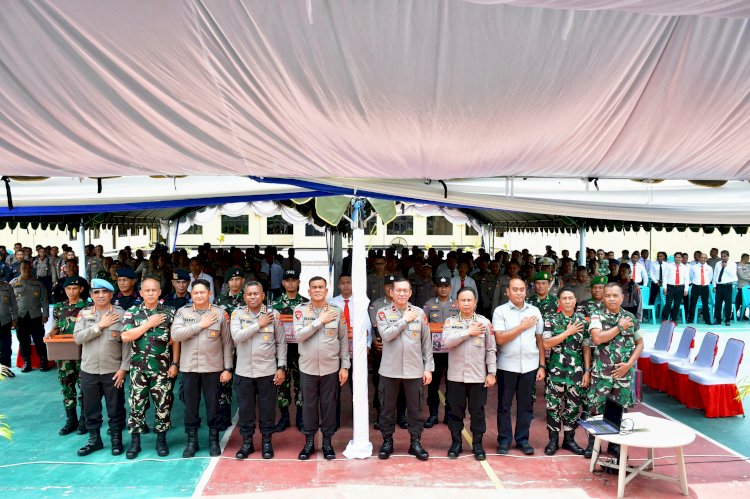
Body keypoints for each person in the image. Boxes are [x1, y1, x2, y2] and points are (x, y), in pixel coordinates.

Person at [171, 279, 233, 458]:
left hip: (213, 368)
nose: (199, 295)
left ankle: (213, 440)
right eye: (195, 293)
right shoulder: (182, 313)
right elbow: (175, 334)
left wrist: (228, 368)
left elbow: (227, 343)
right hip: (189, 368)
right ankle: (192, 442)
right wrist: (200, 325)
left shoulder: (220, 314)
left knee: (213, 406)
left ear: (209, 294)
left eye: (202, 292)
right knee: (190, 406)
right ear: (191, 295)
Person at [375, 278, 434, 461]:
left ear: (410, 293)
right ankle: (387, 441)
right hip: (389, 370)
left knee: (415, 410)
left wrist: (428, 368)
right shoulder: (382, 313)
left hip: (414, 370)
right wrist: (403, 320)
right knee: (387, 409)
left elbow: (426, 343)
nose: (401, 294)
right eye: (398, 290)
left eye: (405, 291)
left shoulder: (419, 313)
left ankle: (415, 442)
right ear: (391, 292)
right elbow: (385, 335)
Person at [293, 276, 349, 460]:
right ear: (308, 291)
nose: (317, 290)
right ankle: (309, 442)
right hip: (307, 368)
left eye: (321, 287)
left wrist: (345, 366)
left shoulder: (336, 311)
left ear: (326, 291)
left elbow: (343, 340)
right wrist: (320, 321)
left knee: (329, 406)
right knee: (308, 406)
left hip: (331, 368)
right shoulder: (300, 311)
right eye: (314, 287)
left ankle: (327, 442)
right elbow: (299, 336)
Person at [121, 278, 179, 459]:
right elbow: (126, 336)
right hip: (138, 369)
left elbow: (176, 339)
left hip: (162, 369)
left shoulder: (170, 312)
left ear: (160, 292)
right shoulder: (132, 312)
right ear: (141, 292)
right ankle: (135, 442)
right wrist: (148, 324)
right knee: (136, 405)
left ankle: (161, 440)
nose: (151, 293)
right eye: (147, 290)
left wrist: (175, 363)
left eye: (154, 290)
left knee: (163, 405)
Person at [585, 282, 644, 460]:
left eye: (615, 295)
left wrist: (629, 365)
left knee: (619, 409)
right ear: (603, 298)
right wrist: (619, 327)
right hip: (602, 373)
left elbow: (640, 344)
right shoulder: (597, 316)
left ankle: (615, 444)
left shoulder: (630, 318)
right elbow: (597, 338)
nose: (611, 299)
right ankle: (593, 444)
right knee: (596, 408)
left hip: (623, 374)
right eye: (608, 295)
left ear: (622, 298)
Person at [73, 279, 130, 456]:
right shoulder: (84, 314)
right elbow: (78, 338)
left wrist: (124, 368)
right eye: (96, 292)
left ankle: (116, 440)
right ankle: (94, 440)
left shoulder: (121, 314)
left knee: (116, 408)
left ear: (111, 294)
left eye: (104, 292)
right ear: (91, 295)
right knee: (90, 408)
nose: (100, 295)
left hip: (113, 371)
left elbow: (127, 343)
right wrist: (99, 326)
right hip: (89, 370)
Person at [231, 282, 287, 459]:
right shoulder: (237, 314)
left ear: (263, 295)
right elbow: (237, 337)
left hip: (267, 371)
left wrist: (281, 367)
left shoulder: (273, 314)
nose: (252, 297)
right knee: (246, 410)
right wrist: (258, 324)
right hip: (244, 371)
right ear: (244, 296)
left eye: (256, 294)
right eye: (249, 294)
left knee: (267, 409)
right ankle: (247, 443)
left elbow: (281, 343)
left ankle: (266, 443)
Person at [492, 277, 545, 456]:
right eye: (515, 289)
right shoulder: (500, 311)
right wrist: (522, 327)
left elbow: (540, 340)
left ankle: (523, 440)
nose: (519, 292)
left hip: (530, 366)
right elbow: (499, 338)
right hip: (507, 366)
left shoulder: (535, 311)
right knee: (504, 406)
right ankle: (504, 440)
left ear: (526, 291)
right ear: (507, 292)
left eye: (522, 289)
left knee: (526, 406)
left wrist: (542, 365)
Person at [442, 287, 496, 460]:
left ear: (475, 302)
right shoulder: (450, 323)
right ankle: (456, 443)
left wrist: (491, 372)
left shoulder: (485, 323)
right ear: (456, 303)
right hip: (456, 377)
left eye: (469, 300)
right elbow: (447, 342)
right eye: (462, 300)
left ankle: (477, 444)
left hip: (478, 377)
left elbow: (491, 349)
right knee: (455, 412)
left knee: (477, 412)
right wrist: (468, 332)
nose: (466, 303)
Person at [542, 287, 590, 456]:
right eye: (564, 298)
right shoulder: (551, 319)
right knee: (553, 407)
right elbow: (547, 343)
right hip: (556, 373)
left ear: (575, 300)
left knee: (573, 408)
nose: (568, 301)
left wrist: (587, 371)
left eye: (571, 298)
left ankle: (569, 440)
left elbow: (586, 348)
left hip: (576, 373)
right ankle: (552, 440)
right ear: (559, 302)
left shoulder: (582, 322)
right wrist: (568, 332)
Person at [49, 276, 89, 435]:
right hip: (64, 354)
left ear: (81, 289)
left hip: (83, 353)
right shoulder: (59, 307)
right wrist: (52, 332)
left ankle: (84, 420)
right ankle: (71, 420)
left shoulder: (87, 307)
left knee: (84, 387)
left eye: (74, 288)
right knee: (67, 387)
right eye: (68, 289)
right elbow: (57, 326)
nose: (71, 292)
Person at [271, 269, 309, 431]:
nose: (291, 282)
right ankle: (284, 417)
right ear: (283, 283)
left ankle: (301, 417)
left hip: (302, 350)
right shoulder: (275, 305)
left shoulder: (307, 304)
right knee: (282, 385)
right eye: (288, 280)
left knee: (302, 385)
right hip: (282, 351)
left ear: (299, 282)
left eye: (294, 279)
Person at [422, 276, 458, 428]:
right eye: (440, 286)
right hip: (434, 352)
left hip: (453, 351)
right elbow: (423, 327)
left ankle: (450, 414)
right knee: (433, 384)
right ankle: (433, 414)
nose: (443, 289)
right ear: (436, 288)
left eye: (446, 286)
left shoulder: (457, 305)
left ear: (450, 288)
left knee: (452, 384)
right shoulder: (429, 305)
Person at [214, 267, 245, 431]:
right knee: (224, 382)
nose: (235, 282)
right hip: (225, 347)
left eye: (238, 279)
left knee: (243, 383)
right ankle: (224, 415)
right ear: (227, 282)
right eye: (231, 280)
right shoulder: (220, 301)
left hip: (244, 347)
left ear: (243, 281)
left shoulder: (249, 299)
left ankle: (245, 416)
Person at [12, 261, 50, 372]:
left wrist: (45, 314)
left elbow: (45, 300)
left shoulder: (38, 283)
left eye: (29, 268)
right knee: (23, 341)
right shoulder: (13, 283)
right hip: (20, 316)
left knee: (39, 340)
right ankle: (26, 363)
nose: (27, 270)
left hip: (36, 316)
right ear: (19, 269)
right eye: (24, 268)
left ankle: (43, 362)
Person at [713, 250, 738, 326]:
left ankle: (727, 319)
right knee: (718, 303)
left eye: (725, 256)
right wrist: (714, 285)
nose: (723, 258)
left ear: (728, 256)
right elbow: (715, 275)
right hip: (719, 285)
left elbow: (733, 275)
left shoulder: (733, 264)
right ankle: (718, 319)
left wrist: (725, 267)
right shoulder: (718, 263)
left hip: (728, 286)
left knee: (728, 303)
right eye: (722, 256)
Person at [662, 253, 688, 322]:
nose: (678, 259)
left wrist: (686, 289)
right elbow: (665, 277)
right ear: (674, 258)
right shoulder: (669, 266)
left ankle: (673, 320)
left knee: (677, 304)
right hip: (670, 287)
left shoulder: (685, 267)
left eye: (679, 257)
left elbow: (687, 279)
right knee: (668, 303)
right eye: (676, 257)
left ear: (682, 258)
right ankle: (665, 319)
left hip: (680, 288)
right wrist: (664, 287)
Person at [688, 253, 713, 325]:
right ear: (699, 258)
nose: (703, 259)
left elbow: (710, 278)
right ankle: (690, 319)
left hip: (705, 287)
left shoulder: (709, 268)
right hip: (696, 286)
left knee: (705, 304)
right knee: (693, 303)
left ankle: (707, 320)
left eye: (704, 258)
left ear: (706, 259)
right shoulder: (694, 267)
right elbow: (691, 276)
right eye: (701, 257)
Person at [0, 276, 18, 377]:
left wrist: (14, 318)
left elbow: (14, 304)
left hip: (5, 321)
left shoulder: (7, 287)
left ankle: (5, 368)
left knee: (6, 345)